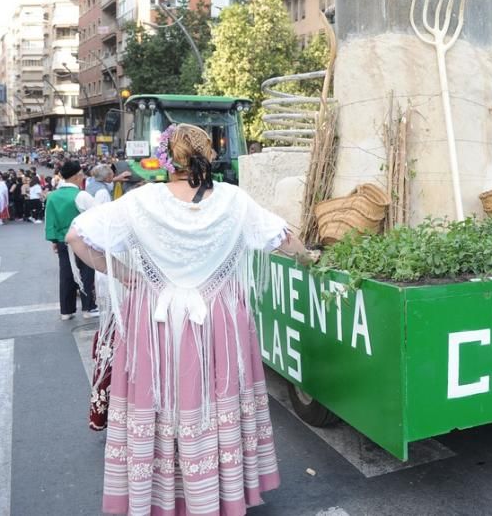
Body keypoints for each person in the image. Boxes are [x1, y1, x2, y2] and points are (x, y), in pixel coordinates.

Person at [66, 124, 316, 514]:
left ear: (166, 158)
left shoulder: (140, 201)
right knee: (217, 402)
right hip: (217, 320)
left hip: (155, 320)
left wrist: (127, 275)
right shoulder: (233, 200)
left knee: (161, 405)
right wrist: (310, 258)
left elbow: (77, 237)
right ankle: (218, 491)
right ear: (208, 155)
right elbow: (285, 239)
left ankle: (163, 494)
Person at [45, 161, 98, 320]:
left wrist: (54, 240)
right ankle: (89, 307)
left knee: (66, 274)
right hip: (81, 240)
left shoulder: (52, 196)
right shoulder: (81, 195)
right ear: (77, 176)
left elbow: (50, 220)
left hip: (62, 240)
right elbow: (96, 217)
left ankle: (66, 311)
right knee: (87, 272)